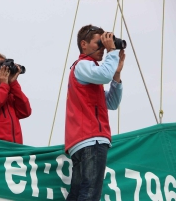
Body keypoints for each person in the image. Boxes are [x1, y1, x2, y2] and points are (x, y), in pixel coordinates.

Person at [65, 24, 126, 200]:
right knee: (90, 193)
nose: (103, 47)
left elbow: (112, 103)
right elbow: (104, 74)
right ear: (84, 45)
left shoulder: (90, 73)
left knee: (78, 194)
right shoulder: (83, 65)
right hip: (91, 139)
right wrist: (112, 52)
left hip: (82, 141)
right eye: (99, 43)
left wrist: (116, 75)